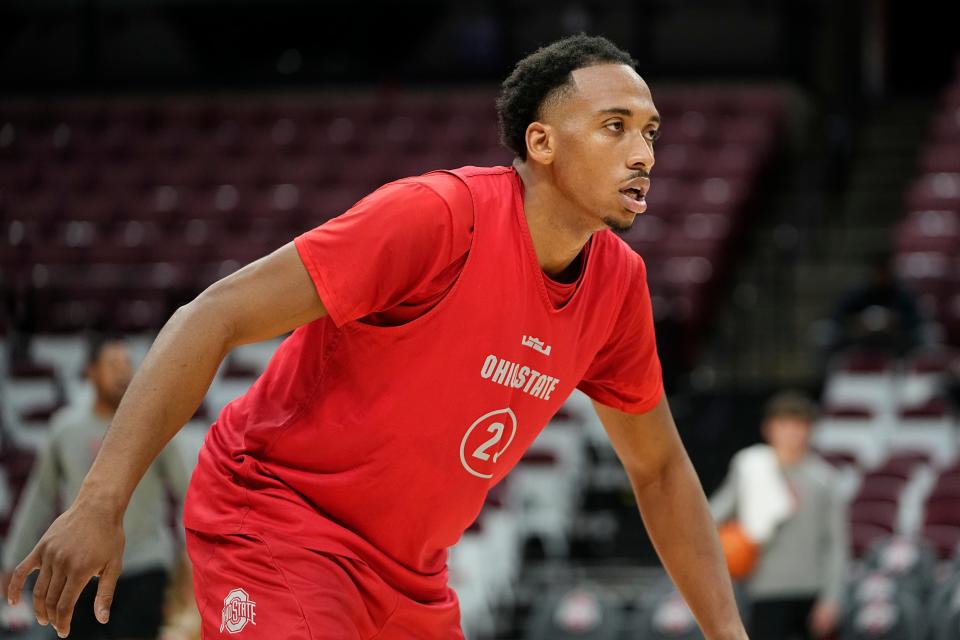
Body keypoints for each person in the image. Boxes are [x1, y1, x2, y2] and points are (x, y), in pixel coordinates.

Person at [8, 34, 748, 639]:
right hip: (278, 520)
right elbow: (212, 315)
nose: (644, 153)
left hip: (409, 574)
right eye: (615, 127)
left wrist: (727, 633)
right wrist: (102, 502)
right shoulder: (435, 218)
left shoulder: (617, 287)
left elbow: (658, 471)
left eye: (650, 131)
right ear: (542, 143)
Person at [2, 334, 192, 639]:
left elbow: (189, 491)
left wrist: (192, 558)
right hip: (81, 570)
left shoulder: (154, 424)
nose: (123, 371)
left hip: (144, 568)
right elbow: (39, 497)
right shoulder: (65, 428)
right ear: (90, 371)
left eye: (128, 364)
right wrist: (12, 560)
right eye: (113, 363)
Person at [710, 392, 849, 640]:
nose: (792, 432)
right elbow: (711, 517)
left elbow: (836, 544)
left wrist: (832, 599)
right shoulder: (752, 469)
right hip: (764, 590)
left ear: (810, 429)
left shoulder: (825, 479)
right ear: (769, 428)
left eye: (800, 424)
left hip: (812, 591)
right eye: (784, 424)